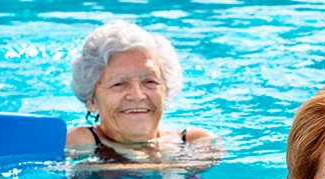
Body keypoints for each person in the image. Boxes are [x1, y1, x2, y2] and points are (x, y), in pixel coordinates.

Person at [65, 21, 217, 167]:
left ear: (166, 90)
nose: (137, 95)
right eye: (118, 84)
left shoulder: (195, 141)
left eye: (150, 82)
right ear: (91, 100)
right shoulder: (81, 142)